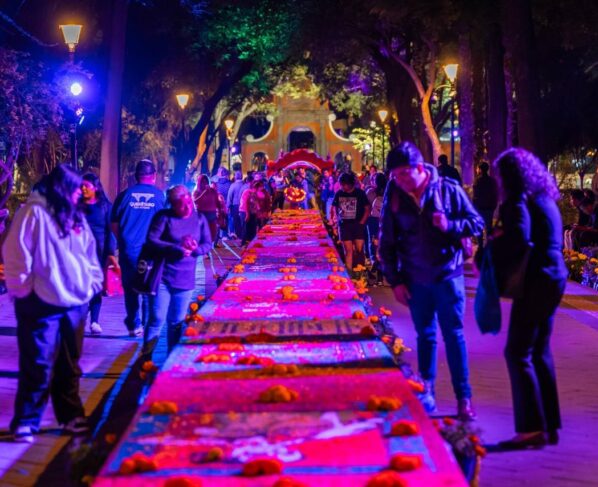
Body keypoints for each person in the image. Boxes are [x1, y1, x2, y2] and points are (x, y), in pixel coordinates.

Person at [378, 142, 484, 420]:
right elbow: (386, 242)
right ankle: (427, 395)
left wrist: (450, 225)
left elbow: (476, 222)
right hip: (415, 279)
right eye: (395, 175)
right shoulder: (396, 196)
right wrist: (395, 281)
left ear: (420, 168)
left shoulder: (448, 189)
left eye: (404, 173)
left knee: (454, 335)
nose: (400, 180)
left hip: (448, 277)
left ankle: (464, 398)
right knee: (425, 336)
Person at [3, 165, 104, 443]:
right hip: (40, 304)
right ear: (62, 188)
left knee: (70, 365)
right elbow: (16, 254)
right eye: (75, 188)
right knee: (38, 363)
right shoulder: (33, 213)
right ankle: (26, 420)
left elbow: (89, 253)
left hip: (75, 304)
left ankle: (71, 416)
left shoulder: (75, 216)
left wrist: (92, 283)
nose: (80, 193)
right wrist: (24, 292)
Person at [489, 148, 568, 449]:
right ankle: (549, 424)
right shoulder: (544, 198)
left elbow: (517, 237)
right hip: (553, 275)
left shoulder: (517, 200)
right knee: (539, 350)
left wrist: (489, 252)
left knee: (517, 351)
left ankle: (530, 428)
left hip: (536, 279)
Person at [142, 185, 212, 359]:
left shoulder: (199, 219)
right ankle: (145, 359)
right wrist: (175, 248)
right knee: (156, 319)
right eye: (181, 205)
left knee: (176, 322)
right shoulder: (164, 218)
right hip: (163, 277)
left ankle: (171, 359)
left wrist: (196, 250)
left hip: (185, 279)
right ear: (173, 205)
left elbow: (207, 243)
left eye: (189, 203)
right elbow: (151, 240)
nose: (187, 208)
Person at [111, 160, 165, 337]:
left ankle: (134, 324)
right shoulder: (159, 197)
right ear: (154, 175)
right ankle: (147, 325)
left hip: (129, 250)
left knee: (130, 288)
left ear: (135, 176)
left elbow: (114, 223)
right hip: (151, 252)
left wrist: (123, 240)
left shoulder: (124, 196)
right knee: (149, 288)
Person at [81, 173, 118, 335]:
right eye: (82, 186)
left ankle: (94, 321)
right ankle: (82, 313)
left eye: (87, 186)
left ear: (95, 188)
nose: (83, 189)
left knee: (96, 287)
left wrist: (111, 254)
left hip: (99, 254)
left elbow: (110, 232)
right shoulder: (76, 206)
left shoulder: (105, 207)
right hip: (79, 254)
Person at [331, 172, 371, 274]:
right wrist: (336, 220)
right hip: (344, 225)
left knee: (359, 249)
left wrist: (361, 222)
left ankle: (360, 273)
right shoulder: (339, 193)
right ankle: (349, 272)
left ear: (350, 184)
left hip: (358, 225)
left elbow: (367, 208)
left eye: (343, 185)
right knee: (348, 251)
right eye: (341, 184)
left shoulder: (360, 193)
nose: (341, 187)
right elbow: (334, 207)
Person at [365, 172, 387, 284]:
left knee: (373, 241)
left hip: (373, 219)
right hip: (386, 219)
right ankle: (381, 268)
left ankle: (374, 261)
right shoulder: (388, 192)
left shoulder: (370, 192)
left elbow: (366, 205)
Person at [472, 162, 499, 247]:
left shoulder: (478, 181)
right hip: (489, 207)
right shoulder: (492, 181)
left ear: (480, 169)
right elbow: (495, 194)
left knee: (479, 228)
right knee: (488, 228)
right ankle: (488, 246)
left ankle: (480, 247)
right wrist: (493, 205)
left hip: (480, 207)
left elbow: (475, 195)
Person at [193, 174, 222, 244]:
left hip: (212, 215)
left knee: (212, 235)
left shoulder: (212, 191)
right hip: (201, 215)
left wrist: (220, 213)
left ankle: (208, 247)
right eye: (202, 182)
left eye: (206, 181)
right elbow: (195, 201)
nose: (204, 183)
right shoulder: (196, 191)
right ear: (199, 183)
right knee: (202, 235)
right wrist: (204, 192)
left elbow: (217, 202)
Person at [240, 180, 261, 246]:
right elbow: (246, 203)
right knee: (246, 229)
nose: (258, 190)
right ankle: (244, 243)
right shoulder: (247, 192)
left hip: (252, 213)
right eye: (257, 188)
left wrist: (257, 212)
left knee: (252, 228)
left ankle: (250, 243)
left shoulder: (254, 194)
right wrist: (247, 214)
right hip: (245, 212)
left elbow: (256, 204)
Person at [226, 171, 244, 239]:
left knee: (236, 221)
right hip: (243, 204)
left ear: (235, 177)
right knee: (242, 221)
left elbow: (229, 196)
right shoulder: (244, 184)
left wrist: (228, 205)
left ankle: (238, 235)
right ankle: (242, 234)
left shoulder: (233, 185)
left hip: (235, 205)